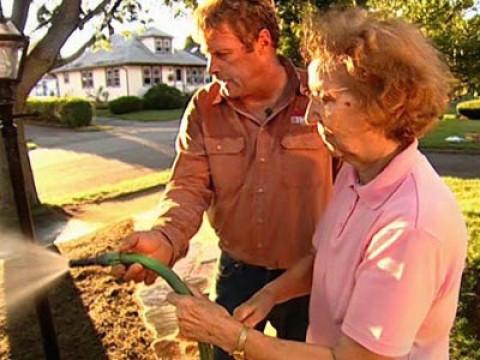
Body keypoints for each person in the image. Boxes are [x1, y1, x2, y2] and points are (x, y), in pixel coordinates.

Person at [167, 7, 468, 360]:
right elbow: (324, 258)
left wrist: (231, 336)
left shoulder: (410, 229)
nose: (310, 115)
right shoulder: (356, 173)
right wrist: (271, 294)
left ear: (383, 103)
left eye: (325, 99)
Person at [114, 1, 334, 358]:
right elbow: (187, 186)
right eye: (208, 54)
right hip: (238, 272)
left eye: (222, 54)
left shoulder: (321, 98)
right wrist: (165, 238)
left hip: (311, 276)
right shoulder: (204, 109)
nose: (211, 68)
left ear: (263, 42)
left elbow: (356, 189)